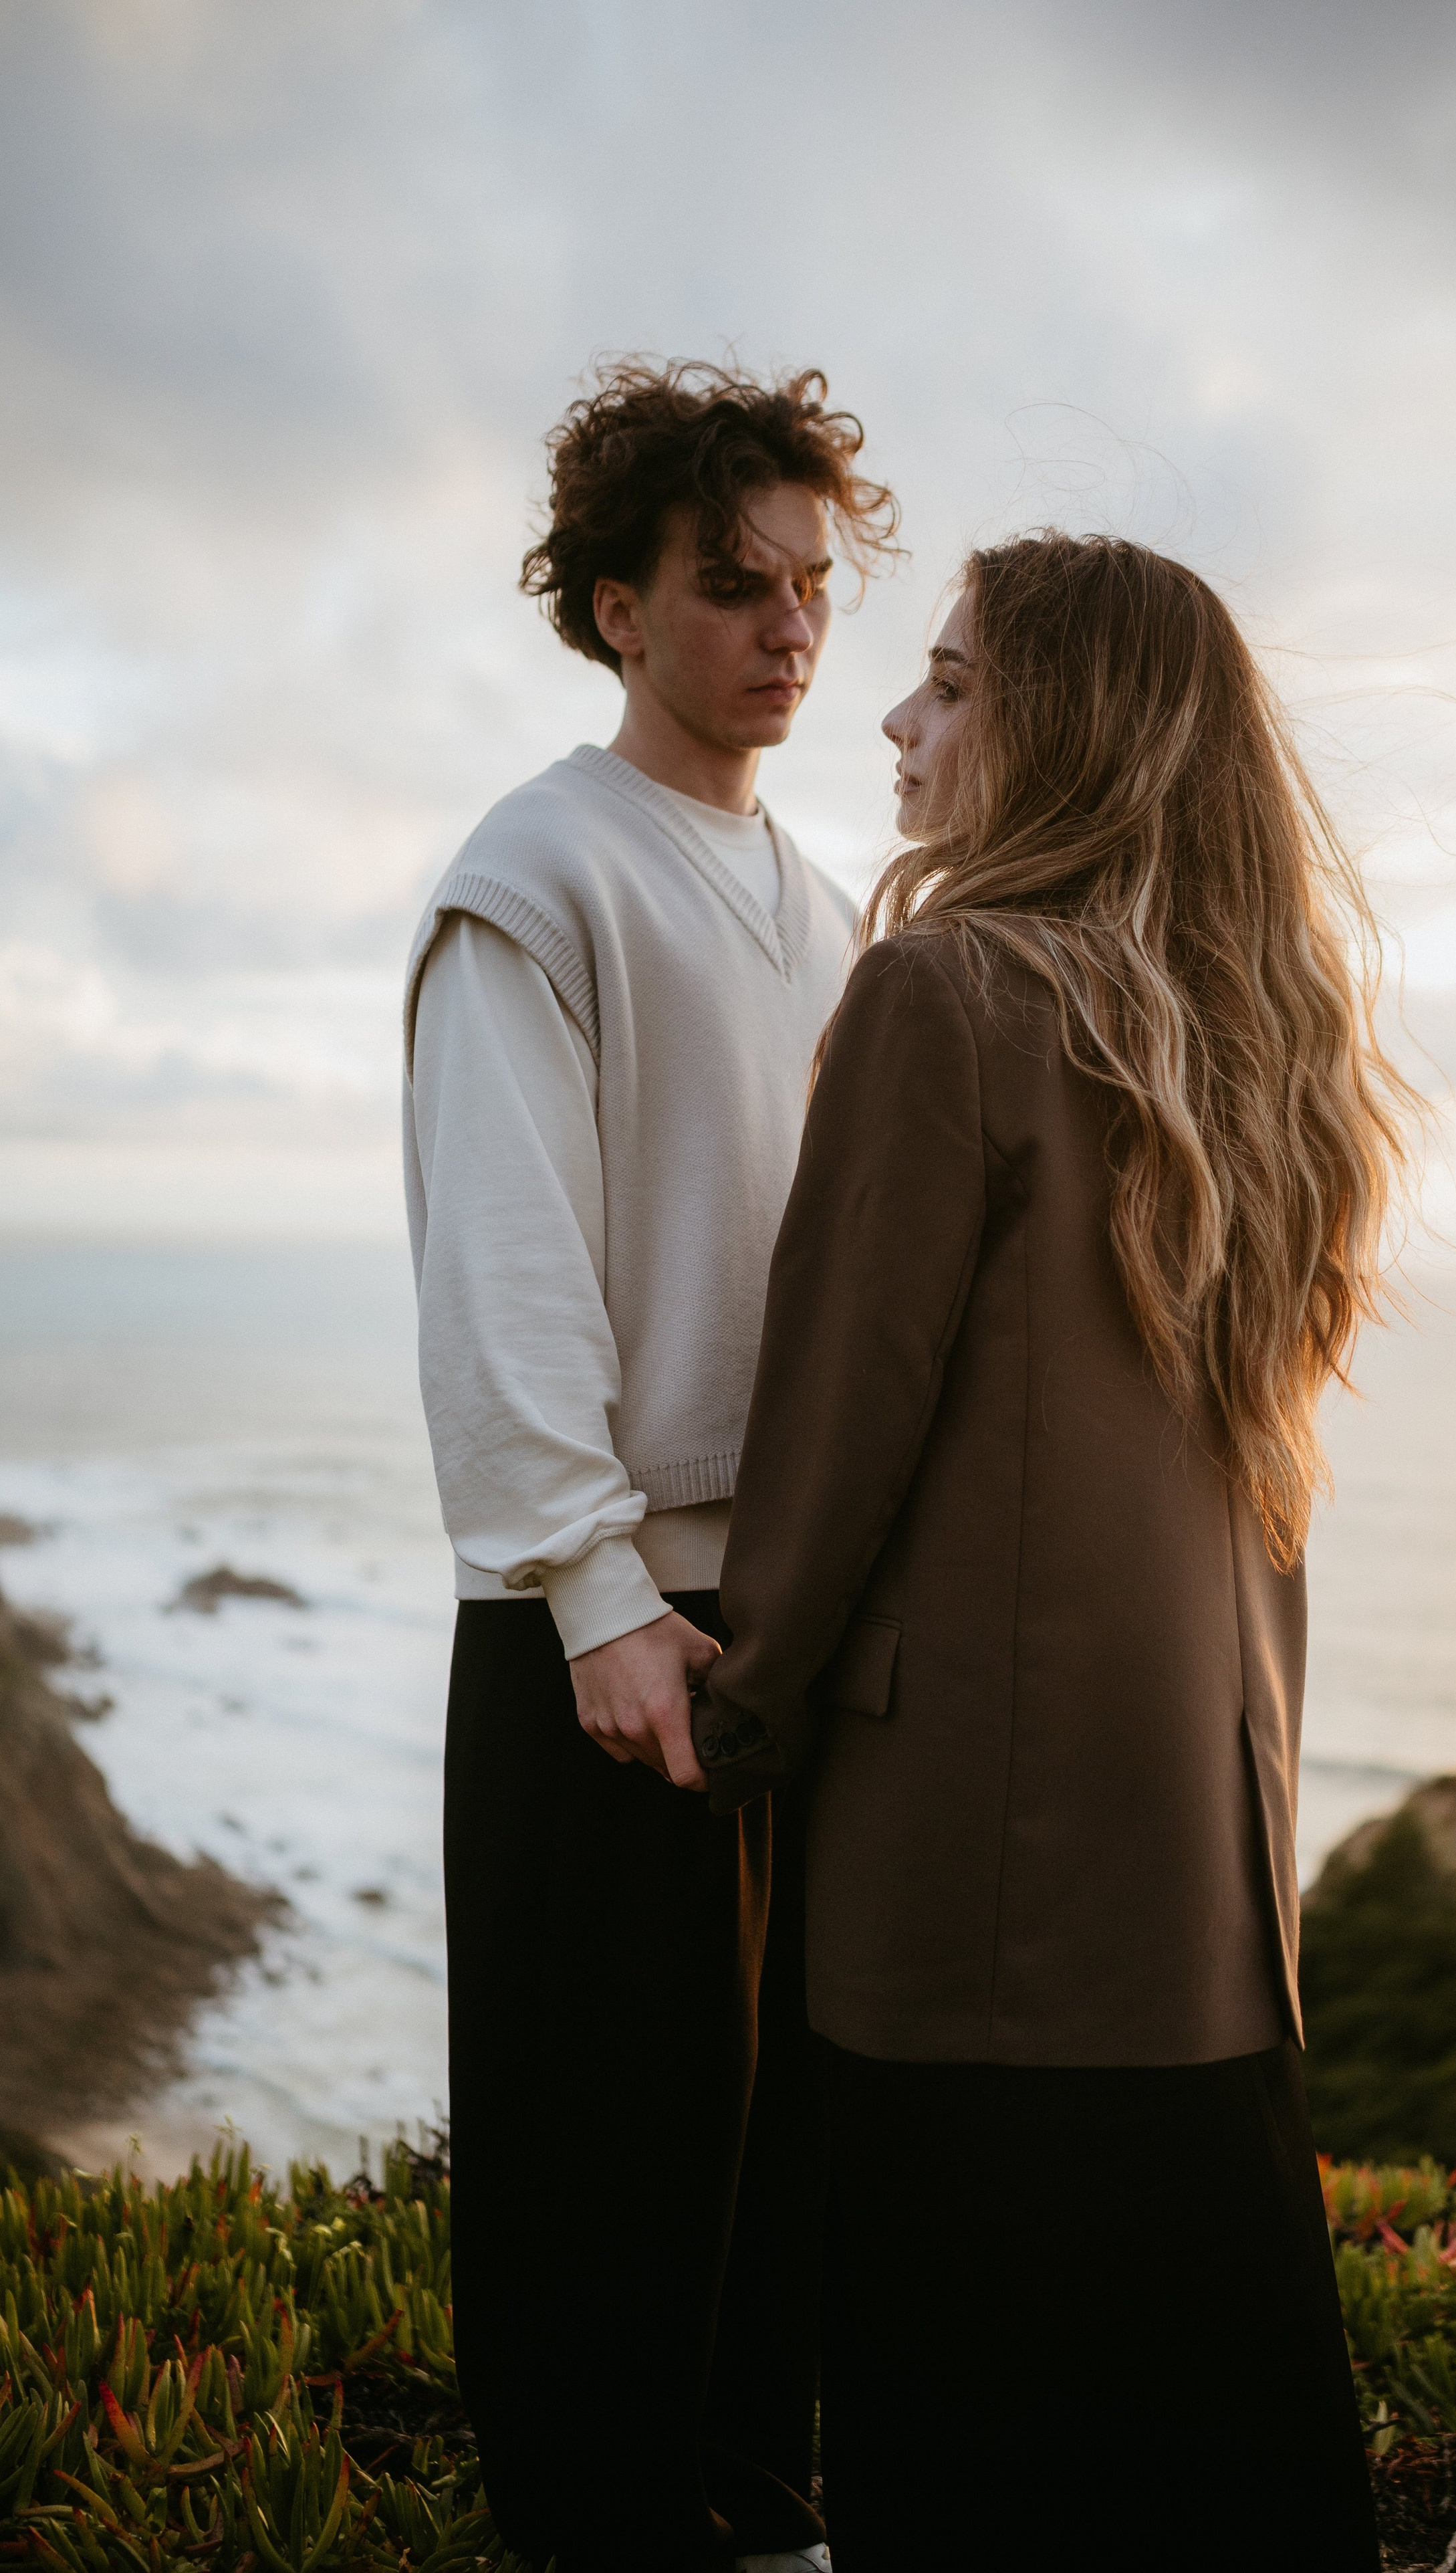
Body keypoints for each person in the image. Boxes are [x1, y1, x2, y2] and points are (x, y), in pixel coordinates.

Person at [693, 534, 1417, 2572]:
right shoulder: (1262, 1035)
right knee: (1218, 2448)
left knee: (970, 2456)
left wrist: (729, 1714)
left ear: (1068, 731)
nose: (899, 722)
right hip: (1203, 1884)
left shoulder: (945, 992)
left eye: (946, 684)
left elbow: (833, 1437)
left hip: (970, 1893)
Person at [402, 359, 897, 2573]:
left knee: (783, 2141)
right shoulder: (537, 870)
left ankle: (760, 2515)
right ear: (616, 607)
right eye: (732, 587)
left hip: (788, 1611)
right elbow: (502, 1256)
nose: (790, 630)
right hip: (608, 1641)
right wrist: (596, 1590)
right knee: (598, 2156)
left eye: (812, 586)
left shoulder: (830, 892)